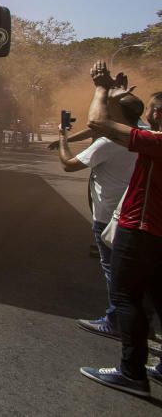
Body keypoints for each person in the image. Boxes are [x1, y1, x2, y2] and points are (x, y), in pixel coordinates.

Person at [79, 62, 162, 398]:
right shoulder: (151, 138)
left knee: (127, 298)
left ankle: (131, 372)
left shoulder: (156, 141)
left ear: (156, 115)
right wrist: (120, 97)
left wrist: (101, 89)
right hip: (156, 233)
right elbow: (129, 121)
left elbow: (99, 123)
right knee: (157, 296)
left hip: (141, 230)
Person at [56, 91, 143, 340]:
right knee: (129, 269)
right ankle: (136, 318)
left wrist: (63, 138)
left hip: (108, 215)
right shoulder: (144, 134)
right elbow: (98, 129)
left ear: (119, 114)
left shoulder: (109, 143)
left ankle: (116, 320)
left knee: (112, 269)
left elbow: (68, 164)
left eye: (112, 108)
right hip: (132, 209)